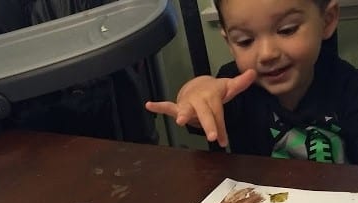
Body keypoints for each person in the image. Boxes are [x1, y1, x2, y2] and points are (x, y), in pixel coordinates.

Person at [146, 0, 358, 164]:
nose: (267, 54)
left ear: (327, 20)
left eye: (287, 30)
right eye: (245, 41)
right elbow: (203, 99)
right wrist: (194, 95)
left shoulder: (349, 88)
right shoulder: (233, 87)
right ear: (229, 41)